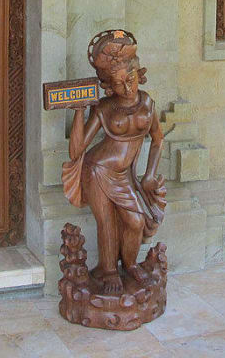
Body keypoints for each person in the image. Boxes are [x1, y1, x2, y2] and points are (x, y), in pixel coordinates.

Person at [61, 30, 166, 294]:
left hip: (123, 175)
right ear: (109, 86)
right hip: (97, 171)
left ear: (138, 73)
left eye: (130, 79)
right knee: (106, 222)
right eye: (119, 84)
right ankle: (108, 271)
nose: (127, 88)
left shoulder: (148, 103)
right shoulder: (105, 108)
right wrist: (79, 110)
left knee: (136, 222)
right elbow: (77, 150)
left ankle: (130, 265)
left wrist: (149, 174)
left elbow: (158, 140)